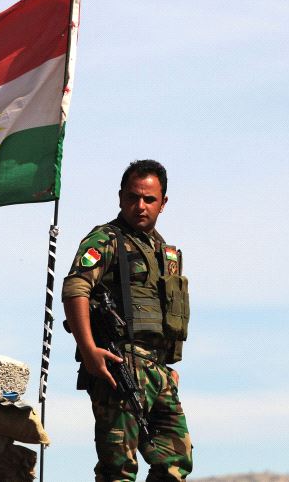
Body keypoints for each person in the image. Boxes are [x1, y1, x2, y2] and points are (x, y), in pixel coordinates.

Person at [62, 159, 193, 481]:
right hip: (118, 365)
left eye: (149, 199)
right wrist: (89, 350)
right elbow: (75, 288)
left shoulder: (164, 252)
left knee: (175, 462)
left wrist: (165, 368)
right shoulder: (106, 239)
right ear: (121, 197)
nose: (140, 206)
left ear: (163, 203)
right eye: (133, 197)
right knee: (118, 467)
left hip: (157, 370)